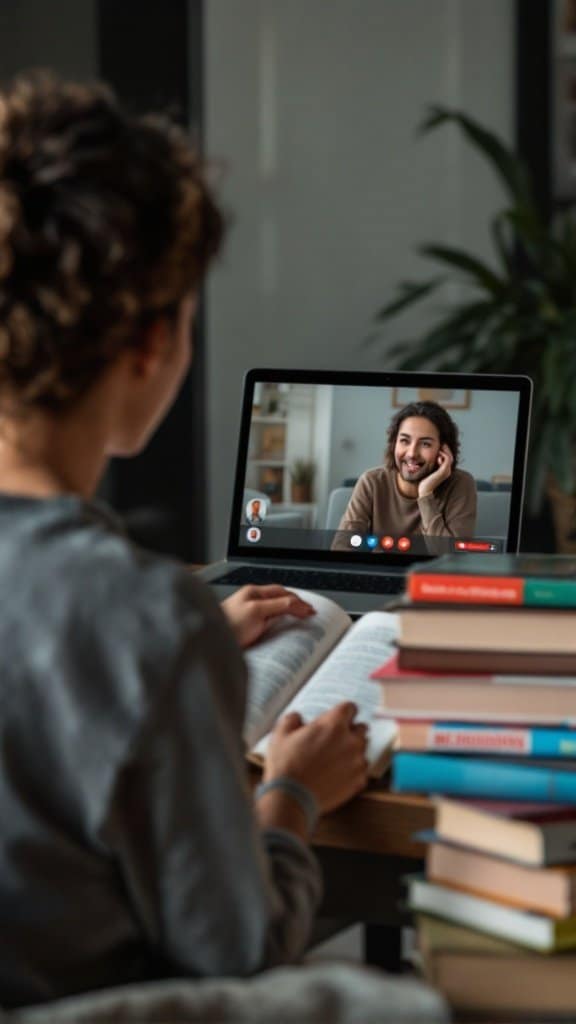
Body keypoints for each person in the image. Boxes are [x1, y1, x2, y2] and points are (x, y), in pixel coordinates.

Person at [0, 72, 376, 1010]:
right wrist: (292, 793)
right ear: (149, 340)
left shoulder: (150, 617)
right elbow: (235, 949)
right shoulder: (144, 619)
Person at [335, 401, 476, 544]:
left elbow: (453, 558)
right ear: (394, 443)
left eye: (425, 444)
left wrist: (426, 494)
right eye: (404, 441)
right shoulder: (372, 482)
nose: (412, 453)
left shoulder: (461, 484)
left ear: (444, 450)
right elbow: (342, 547)